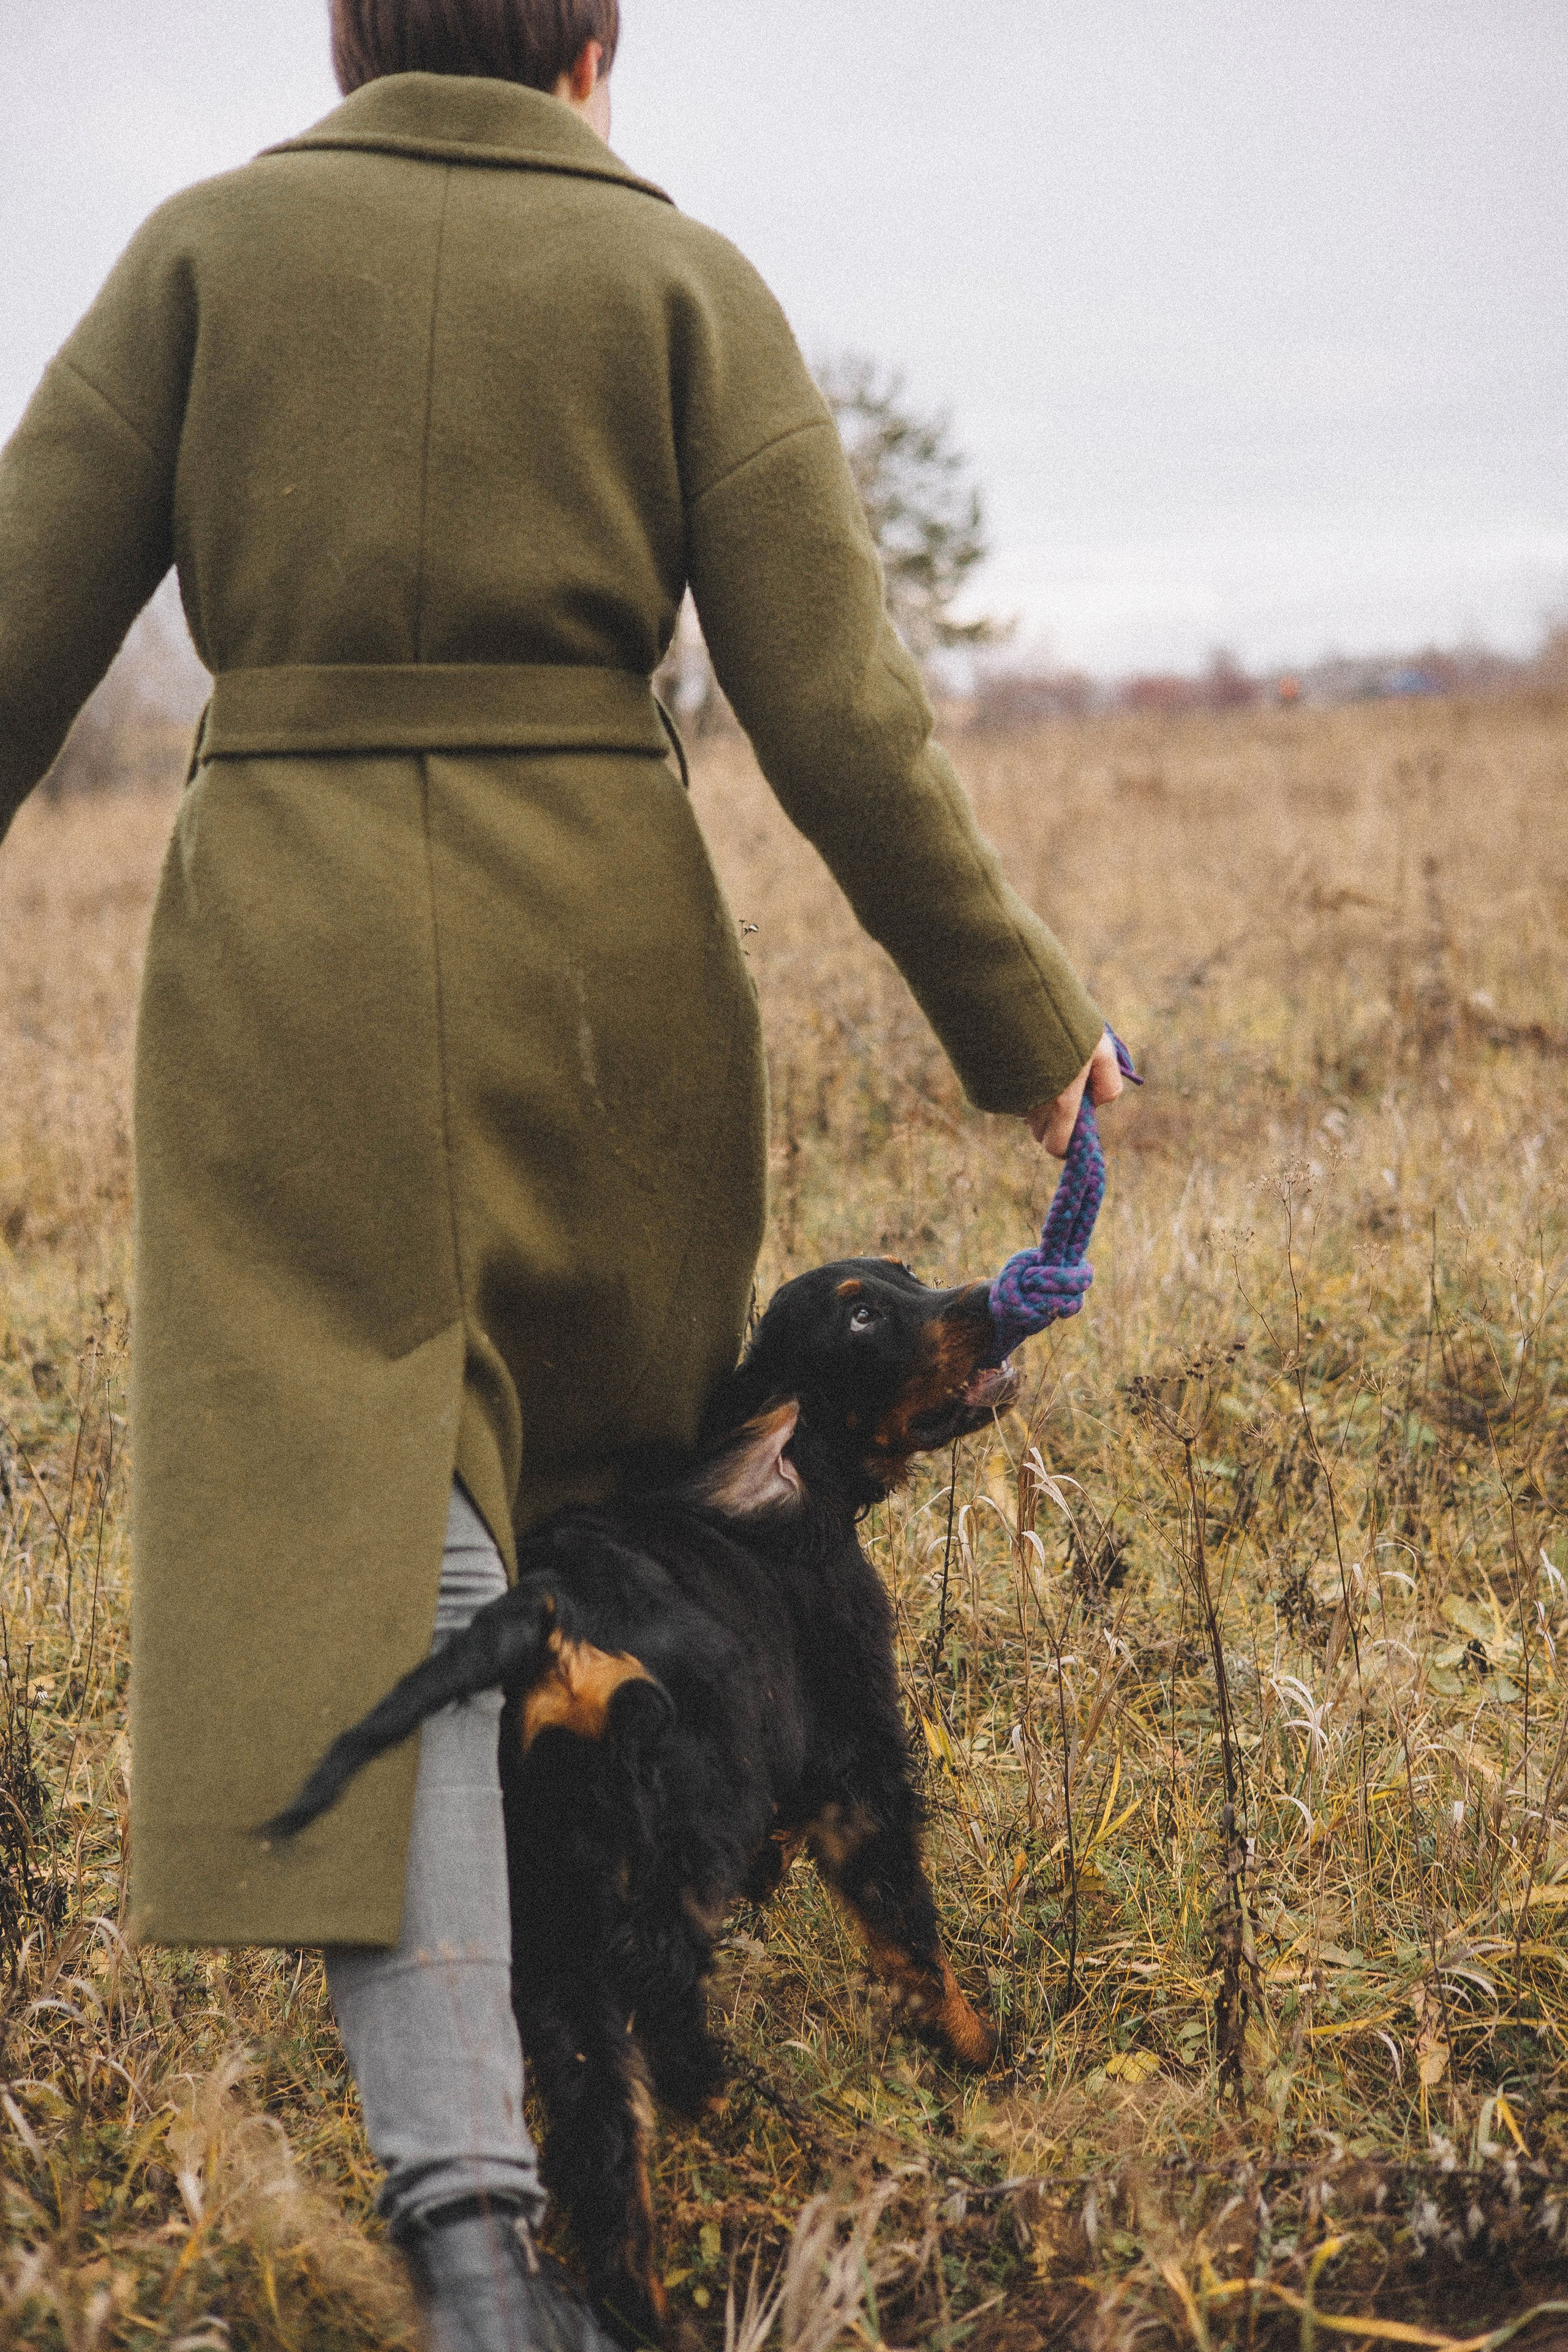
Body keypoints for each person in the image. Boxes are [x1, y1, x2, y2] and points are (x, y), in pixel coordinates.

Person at [0, 3, 1122, 2343]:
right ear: (595, 42)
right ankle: (609, 2083)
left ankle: (477, 2225)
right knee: (572, 1566)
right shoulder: (683, 285)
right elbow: (838, 710)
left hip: (290, 995)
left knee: (380, 1565)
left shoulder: (198, 258)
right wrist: (1027, 1032)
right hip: (608, 993)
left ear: (346, 31)